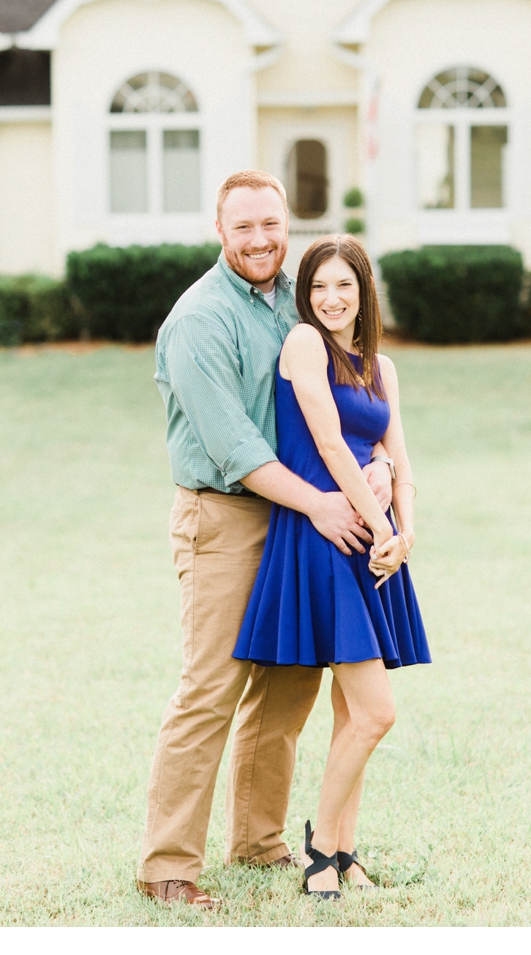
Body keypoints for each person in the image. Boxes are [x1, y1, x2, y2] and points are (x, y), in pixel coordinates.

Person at [138, 170, 395, 909]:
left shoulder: (301, 297)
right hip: (223, 516)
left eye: (271, 225)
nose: (259, 239)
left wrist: (376, 463)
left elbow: (347, 396)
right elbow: (237, 448)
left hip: (299, 516)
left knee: (289, 680)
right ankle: (167, 866)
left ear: (288, 225)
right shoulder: (198, 320)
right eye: (243, 226)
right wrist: (323, 503)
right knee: (211, 687)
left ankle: (258, 839)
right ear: (221, 230)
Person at [233, 234, 428, 898]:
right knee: (377, 712)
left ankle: (345, 852)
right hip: (326, 536)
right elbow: (326, 442)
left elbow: (393, 452)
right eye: (317, 287)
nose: (330, 298)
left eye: (343, 285)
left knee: (353, 712)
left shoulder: (381, 364)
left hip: (375, 542)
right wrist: (377, 523)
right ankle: (319, 848)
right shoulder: (304, 345)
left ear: (363, 290)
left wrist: (405, 532)